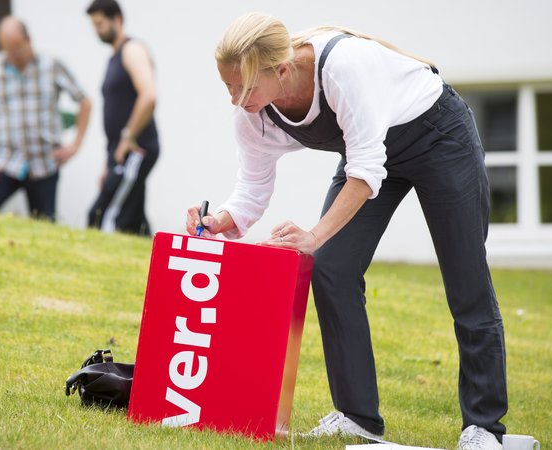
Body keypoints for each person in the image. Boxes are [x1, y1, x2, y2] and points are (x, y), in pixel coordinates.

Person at [185, 12, 507, 450]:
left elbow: (365, 171)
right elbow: (253, 186)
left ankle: (483, 426)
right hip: (369, 155)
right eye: (227, 86)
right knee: (331, 268)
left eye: (241, 87)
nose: (234, 99)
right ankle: (357, 417)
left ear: (281, 70)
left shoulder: (342, 67)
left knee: (465, 277)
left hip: (438, 137)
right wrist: (220, 220)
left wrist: (314, 234)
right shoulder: (254, 112)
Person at [0, 16, 91, 221]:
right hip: (5, 161)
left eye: (17, 47)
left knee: (44, 227)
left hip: (44, 163)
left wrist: (76, 145)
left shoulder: (52, 65)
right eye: (7, 49)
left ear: (29, 40)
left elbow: (85, 102)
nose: (13, 55)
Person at [85, 0, 159, 235]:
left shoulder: (132, 49)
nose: (96, 30)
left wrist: (127, 138)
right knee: (134, 220)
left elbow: (149, 95)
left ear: (116, 19)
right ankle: (153, 263)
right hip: (120, 153)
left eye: (99, 24)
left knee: (103, 216)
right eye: (93, 25)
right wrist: (109, 163)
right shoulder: (114, 58)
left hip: (135, 150)